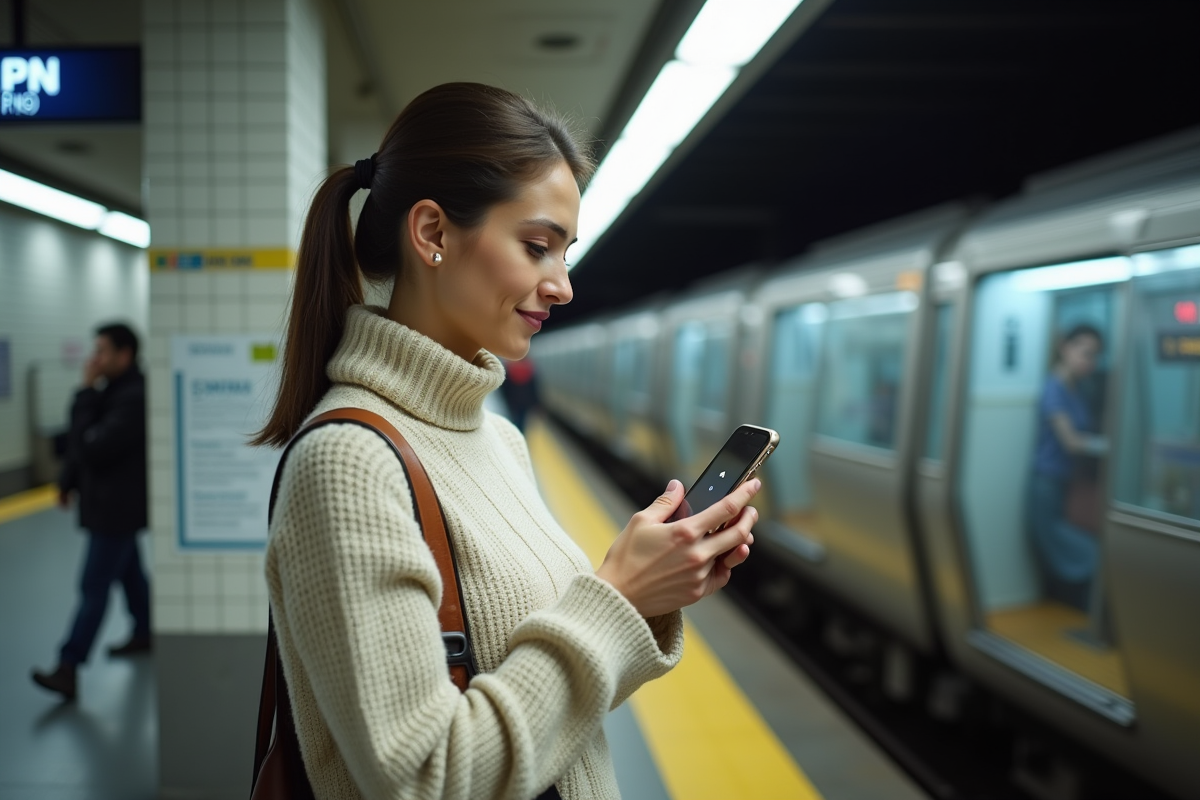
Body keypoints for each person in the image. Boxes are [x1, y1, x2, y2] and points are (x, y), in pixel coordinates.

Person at [253, 83, 759, 800]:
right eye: (536, 247)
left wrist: (646, 594)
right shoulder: (348, 464)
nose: (563, 287)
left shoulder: (497, 438)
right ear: (431, 234)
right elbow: (426, 780)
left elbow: (547, 710)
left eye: (565, 253)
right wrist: (615, 596)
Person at [32, 323, 151, 701]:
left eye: (101, 351)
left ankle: (69, 666)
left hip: (116, 510)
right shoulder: (110, 392)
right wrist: (66, 482)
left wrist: (84, 391)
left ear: (124, 355)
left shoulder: (133, 397)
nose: (93, 359)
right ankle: (146, 631)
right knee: (130, 575)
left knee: (93, 588)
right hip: (109, 507)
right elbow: (78, 444)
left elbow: (92, 447)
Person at [1028, 323, 1107, 611]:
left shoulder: (1078, 390)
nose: (1089, 361)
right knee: (1086, 555)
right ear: (1065, 347)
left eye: (1094, 355)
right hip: (1046, 485)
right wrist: (1107, 446)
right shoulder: (1054, 388)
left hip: (1068, 486)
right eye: (1084, 352)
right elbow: (1071, 442)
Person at [500, 357, 539, 432]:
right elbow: (533, 389)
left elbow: (505, 389)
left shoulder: (509, 369)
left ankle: (514, 434)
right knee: (522, 421)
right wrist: (535, 403)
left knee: (513, 420)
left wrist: (507, 400)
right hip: (525, 403)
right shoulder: (529, 369)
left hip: (513, 403)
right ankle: (520, 434)